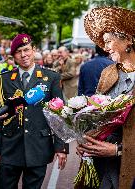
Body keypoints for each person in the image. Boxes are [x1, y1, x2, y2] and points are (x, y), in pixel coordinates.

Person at [0, 33, 69, 189]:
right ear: (13, 56)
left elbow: (60, 115)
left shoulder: (50, 78)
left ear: (34, 50)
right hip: (9, 148)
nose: (23, 55)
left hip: (38, 147)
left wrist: (61, 147)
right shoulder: (4, 79)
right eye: (18, 52)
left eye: (26, 50)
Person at [77, 6, 135, 188]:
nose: (105, 47)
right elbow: (98, 114)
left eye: (108, 41)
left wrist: (118, 150)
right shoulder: (107, 73)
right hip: (103, 166)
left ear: (127, 41)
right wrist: (88, 139)